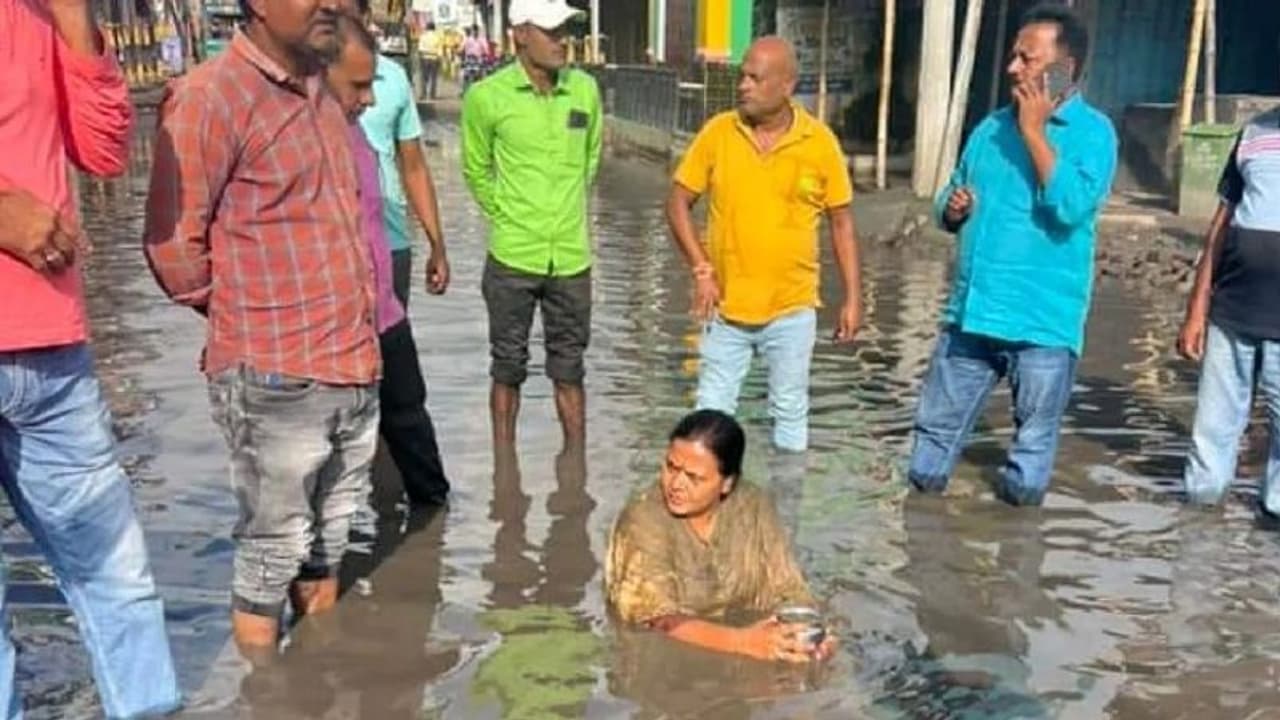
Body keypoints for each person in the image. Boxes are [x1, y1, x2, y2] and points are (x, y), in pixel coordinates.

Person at [144, 0, 381, 655]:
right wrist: (252, 318)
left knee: (328, 545)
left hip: (352, 365)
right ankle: (263, 690)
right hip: (275, 372)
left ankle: (312, 682)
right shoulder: (211, 98)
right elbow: (172, 247)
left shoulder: (322, 91)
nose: (331, 4)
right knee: (271, 553)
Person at [0, 1, 182, 715]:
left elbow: (106, 151)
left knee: (118, 578)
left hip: (51, 355)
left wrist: (75, 19)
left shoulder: (40, 17)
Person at [906, 4, 1117, 507]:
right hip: (972, 315)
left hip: (1043, 325)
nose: (1013, 68)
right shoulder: (989, 129)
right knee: (929, 449)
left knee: (1028, 460)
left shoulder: (1095, 134)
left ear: (1068, 69)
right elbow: (949, 197)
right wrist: (951, 208)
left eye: (1027, 58)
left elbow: (1068, 206)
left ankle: (1019, 563)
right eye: (1014, 57)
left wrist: (1034, 131)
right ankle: (922, 547)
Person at [667, 36, 863, 453]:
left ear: (787, 85)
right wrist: (701, 268)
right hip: (724, 308)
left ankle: (785, 509)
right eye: (743, 75)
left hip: (792, 310)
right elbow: (677, 203)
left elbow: (842, 224)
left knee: (790, 409)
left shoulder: (819, 142)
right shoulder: (719, 133)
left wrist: (852, 298)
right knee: (711, 415)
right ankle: (707, 507)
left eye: (756, 78)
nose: (743, 86)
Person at [461, 0, 602, 456]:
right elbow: (476, 169)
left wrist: (563, 211)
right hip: (512, 256)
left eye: (565, 30)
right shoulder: (487, 97)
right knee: (507, 366)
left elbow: (590, 162)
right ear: (520, 33)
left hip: (570, 257)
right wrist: (507, 214)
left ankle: (575, 464)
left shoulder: (584, 92)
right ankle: (505, 466)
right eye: (550, 31)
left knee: (570, 368)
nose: (562, 40)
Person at [605, 410, 835, 663]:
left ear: (727, 484)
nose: (676, 484)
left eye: (694, 477)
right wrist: (745, 642)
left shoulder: (752, 505)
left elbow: (788, 588)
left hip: (741, 634)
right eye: (671, 467)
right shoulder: (642, 518)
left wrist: (810, 635)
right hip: (665, 658)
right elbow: (655, 618)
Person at [346, 0, 451, 506]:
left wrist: (436, 240)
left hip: (390, 246)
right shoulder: (301, 83)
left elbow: (412, 165)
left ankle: (399, 498)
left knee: (395, 382)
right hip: (330, 260)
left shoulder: (390, 78)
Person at [1179, 103, 1280, 518]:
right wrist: (1197, 307)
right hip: (1233, 308)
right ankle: (1199, 528)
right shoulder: (1254, 132)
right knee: (1212, 428)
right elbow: (1222, 223)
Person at [419, 21, 442, 99]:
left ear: (427, 28)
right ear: (434, 28)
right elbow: (440, 51)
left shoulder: (423, 36)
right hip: (434, 58)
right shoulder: (437, 37)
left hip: (425, 58)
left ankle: (423, 94)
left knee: (424, 78)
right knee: (433, 78)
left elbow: (420, 48)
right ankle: (432, 95)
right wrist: (439, 59)